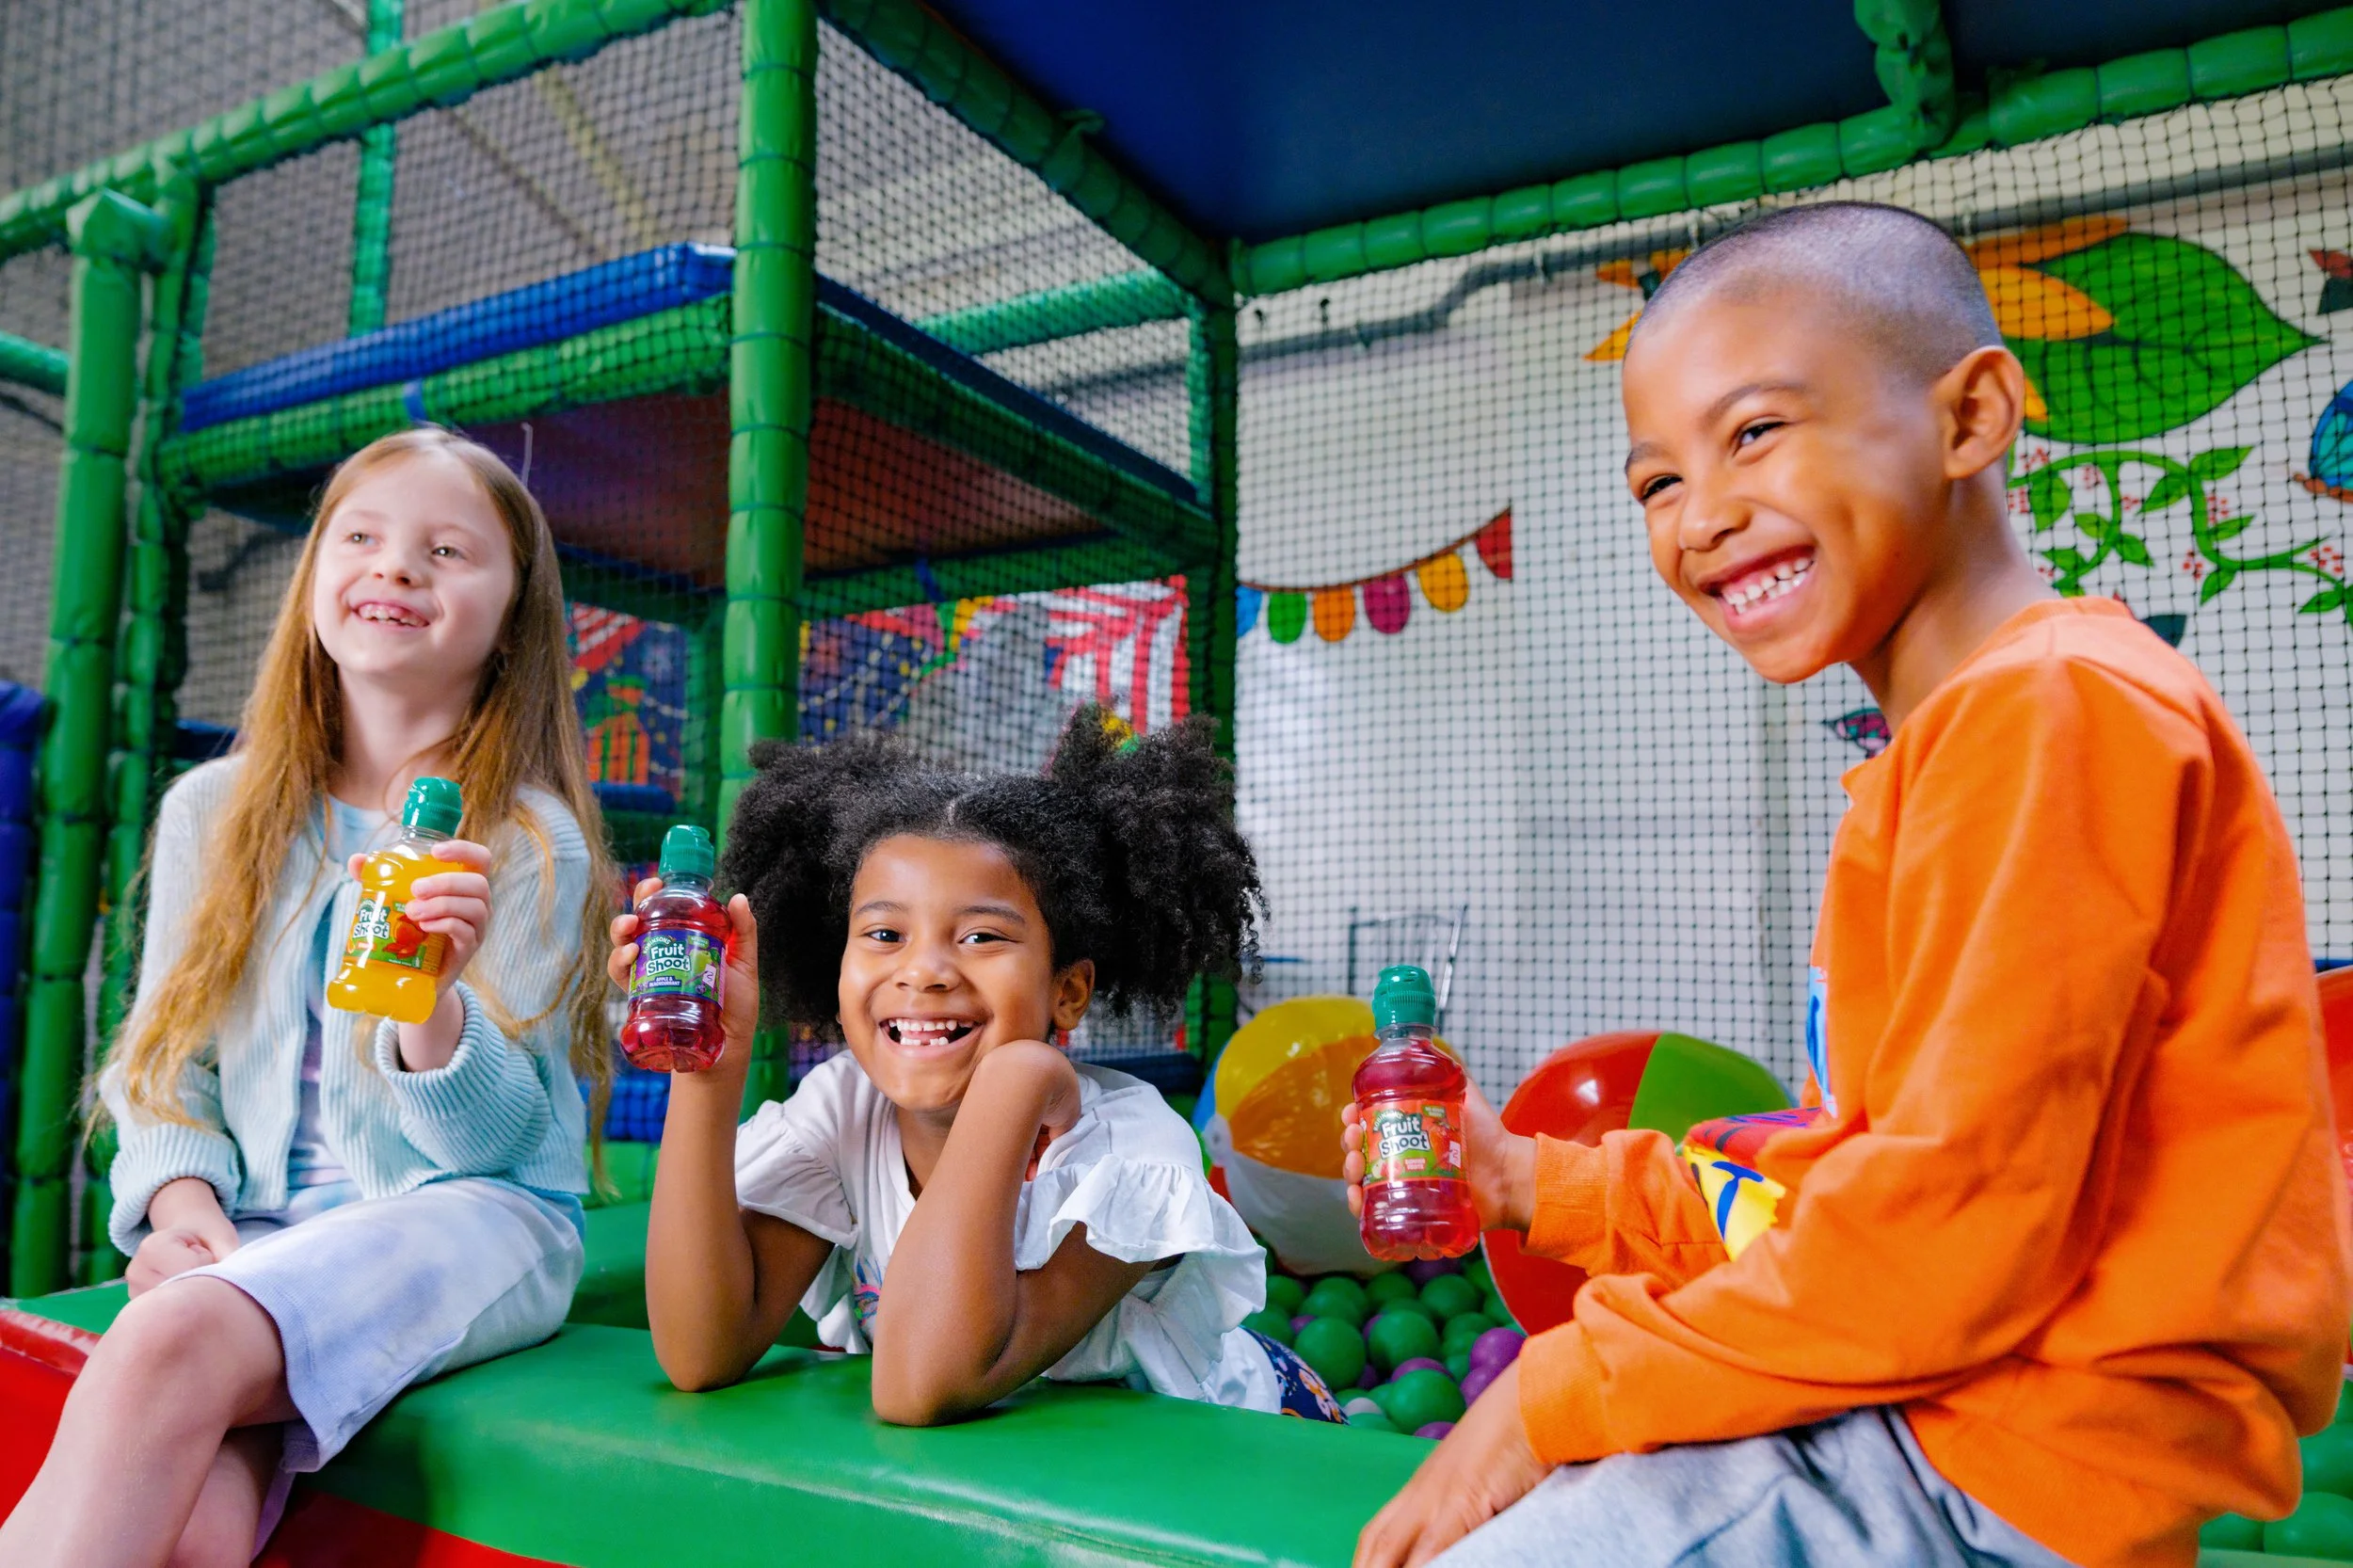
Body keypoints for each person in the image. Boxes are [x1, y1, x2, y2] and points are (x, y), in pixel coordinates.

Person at [1345, 201, 2350, 1568]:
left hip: (1980, 1458)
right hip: (1954, 1418)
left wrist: (1548, 1394)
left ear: (1972, 414)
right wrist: (1539, 1180)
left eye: (1755, 431)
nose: (1701, 515)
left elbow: (1947, 1238)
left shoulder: (2048, 715)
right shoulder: (1953, 749)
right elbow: (1848, 1193)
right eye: (1655, 482)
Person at [0, 427, 615, 1567]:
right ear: (316, 575)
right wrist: (183, 1210)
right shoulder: (216, 812)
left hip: (476, 1218)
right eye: (363, 538)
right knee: (193, 1530)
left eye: (446, 550)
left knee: (164, 1345)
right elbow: (162, 1063)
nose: (396, 568)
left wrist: (431, 1009)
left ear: (513, 613)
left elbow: (498, 1143)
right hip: (257, 1235)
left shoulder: (528, 838)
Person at [621, 708, 1343, 1424]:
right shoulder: (843, 1110)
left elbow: (918, 1385)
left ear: (1068, 991)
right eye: (884, 933)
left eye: (980, 935)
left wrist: (1015, 1080)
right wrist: (709, 1064)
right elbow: (700, 1352)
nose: (926, 970)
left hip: (1254, 1435)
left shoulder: (1127, 1153)